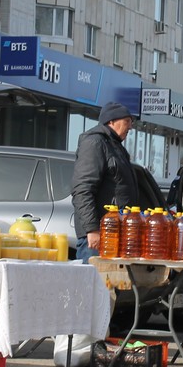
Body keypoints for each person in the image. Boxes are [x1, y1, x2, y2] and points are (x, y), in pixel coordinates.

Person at [70, 101, 137, 262]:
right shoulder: (95, 142)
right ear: (111, 121)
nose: (130, 127)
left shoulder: (115, 146)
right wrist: (92, 229)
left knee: (109, 285)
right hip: (98, 236)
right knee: (94, 284)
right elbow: (82, 189)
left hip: (113, 232)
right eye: (127, 122)